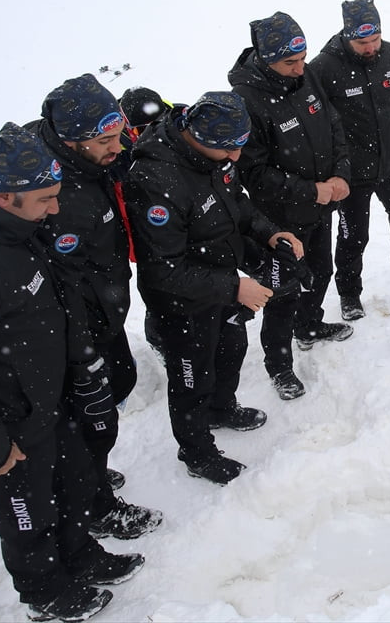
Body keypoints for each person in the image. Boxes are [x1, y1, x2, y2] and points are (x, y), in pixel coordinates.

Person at [0, 124, 143, 622]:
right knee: (27, 512)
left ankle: (79, 555)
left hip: (43, 402)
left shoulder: (9, 227)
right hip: (2, 424)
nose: (55, 209)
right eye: (46, 199)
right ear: (3, 195)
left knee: (73, 482)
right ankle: (44, 591)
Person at [125, 91, 303, 485]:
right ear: (198, 137)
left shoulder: (216, 156)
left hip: (222, 282)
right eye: (228, 150)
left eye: (239, 148)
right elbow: (162, 271)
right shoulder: (155, 180)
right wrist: (235, 287)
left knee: (231, 348)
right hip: (181, 302)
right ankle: (196, 451)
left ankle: (221, 409)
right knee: (191, 377)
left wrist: (271, 233)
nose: (236, 159)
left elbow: (237, 203)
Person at [32, 75, 163, 540]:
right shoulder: (51, 195)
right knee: (90, 418)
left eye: (119, 134)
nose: (118, 146)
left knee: (117, 387)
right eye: (106, 140)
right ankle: (94, 506)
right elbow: (58, 288)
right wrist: (81, 355)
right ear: (71, 140)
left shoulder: (91, 159)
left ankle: (86, 477)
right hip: (70, 333)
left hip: (103, 311)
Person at [230, 11, 354, 401]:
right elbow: (253, 172)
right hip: (280, 218)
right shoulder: (246, 100)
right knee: (283, 291)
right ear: (266, 60)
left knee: (320, 270)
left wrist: (341, 174)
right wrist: (310, 190)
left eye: (302, 59)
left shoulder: (305, 76)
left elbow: (333, 125)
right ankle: (279, 365)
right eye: (289, 63)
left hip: (320, 204)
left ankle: (310, 326)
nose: (300, 68)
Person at [310, 0, 390, 322]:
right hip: (351, 170)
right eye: (361, 42)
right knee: (354, 235)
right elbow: (317, 119)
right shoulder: (323, 67)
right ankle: (349, 292)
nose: (370, 48)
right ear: (346, 35)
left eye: (374, 40)